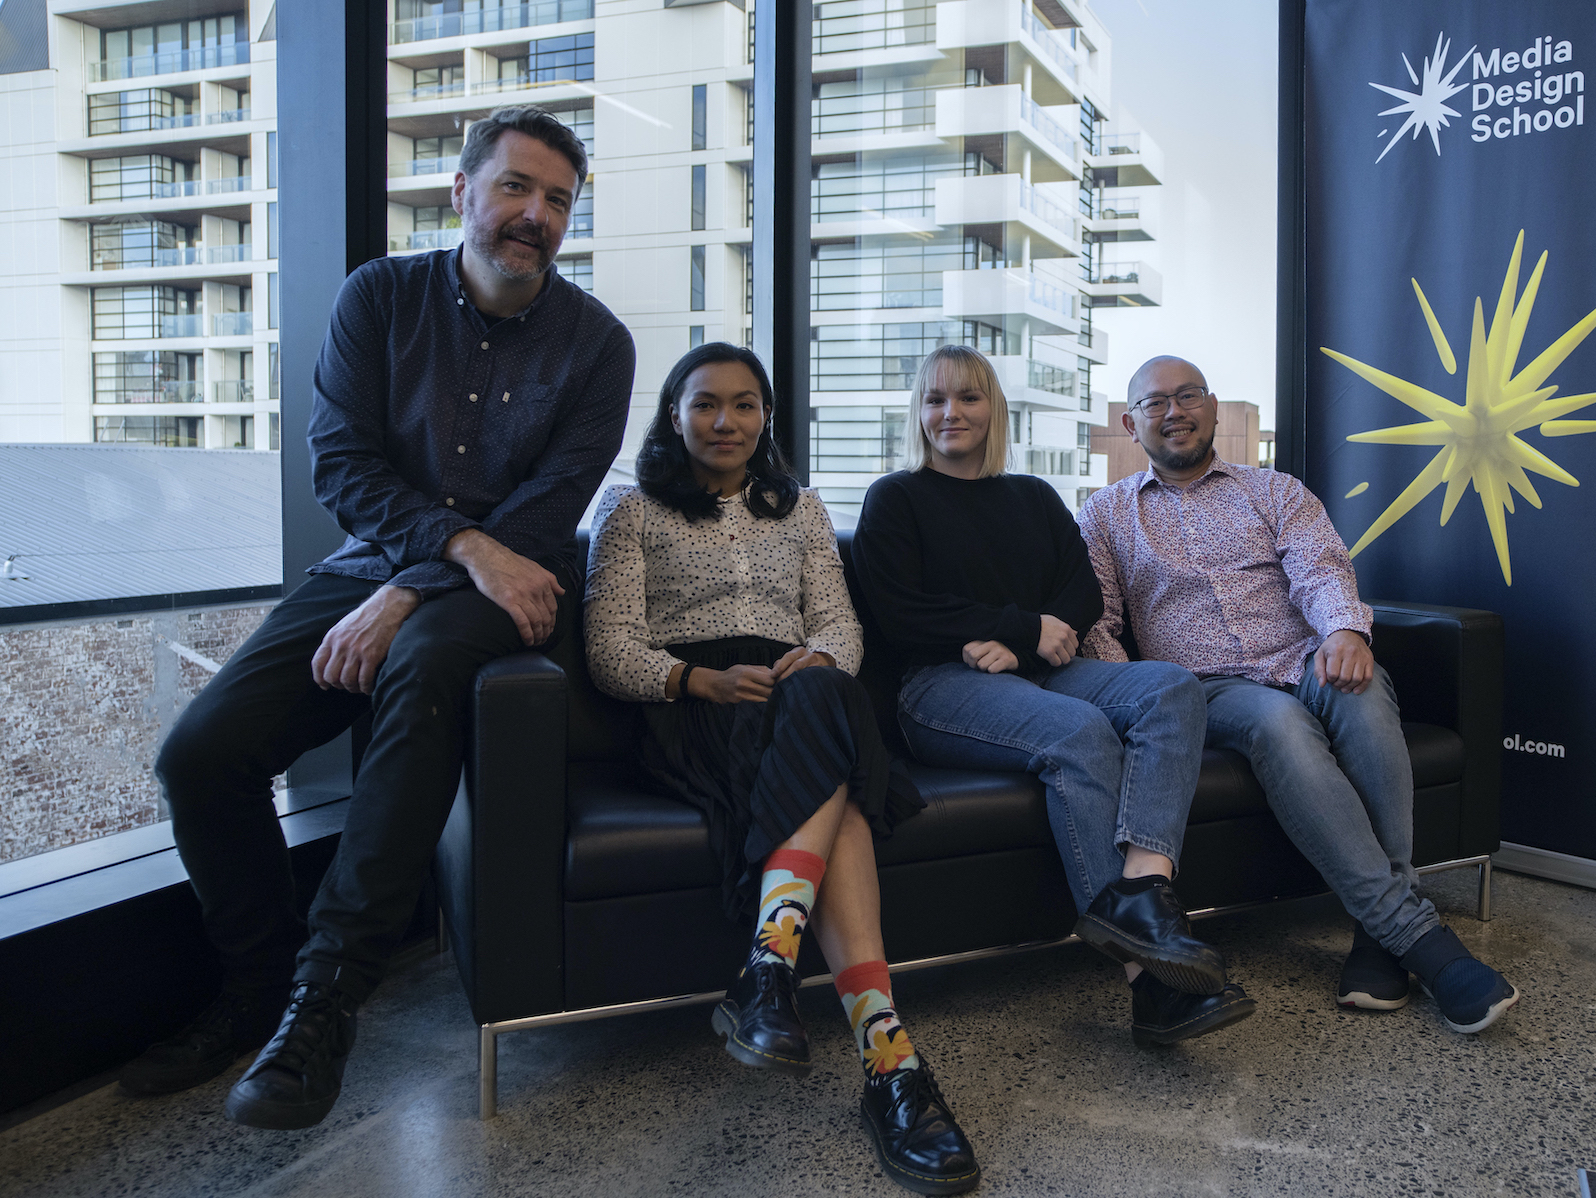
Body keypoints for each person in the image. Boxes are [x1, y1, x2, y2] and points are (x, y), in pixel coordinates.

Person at [134, 106, 636, 1127]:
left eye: (556, 201)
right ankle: (256, 991)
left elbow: (542, 519)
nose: (534, 215)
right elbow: (341, 465)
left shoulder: (598, 344)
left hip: (508, 591)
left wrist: (415, 589)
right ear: (461, 191)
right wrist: (437, 554)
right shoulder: (379, 296)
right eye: (515, 187)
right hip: (375, 562)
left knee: (420, 673)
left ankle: (324, 1004)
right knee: (201, 754)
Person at [585, 343, 978, 1196]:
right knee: (835, 772)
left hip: (796, 696)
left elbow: (841, 625)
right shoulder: (631, 511)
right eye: (705, 404)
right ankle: (890, 1067)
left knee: (826, 695)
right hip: (694, 709)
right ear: (673, 413)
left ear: (766, 416)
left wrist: (819, 658)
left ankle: (771, 972)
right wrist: (699, 678)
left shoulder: (800, 511)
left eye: (745, 404)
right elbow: (609, 650)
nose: (725, 422)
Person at [1077, 356, 1519, 1034]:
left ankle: (1380, 937)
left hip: (1304, 655)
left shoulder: (1274, 490)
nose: (1175, 410)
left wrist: (1343, 630)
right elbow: (1098, 625)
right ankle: (1426, 942)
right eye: (1155, 402)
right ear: (1132, 424)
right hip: (1208, 688)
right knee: (1281, 724)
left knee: (1363, 687)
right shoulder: (1106, 517)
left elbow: (1320, 566)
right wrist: (1136, 697)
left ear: (1215, 408)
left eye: (1188, 394)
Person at [851, 344, 1254, 1048]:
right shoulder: (897, 497)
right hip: (938, 688)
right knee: (1079, 732)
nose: (951, 412)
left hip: (1037, 672)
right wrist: (1018, 627)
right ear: (917, 413)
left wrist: (1024, 640)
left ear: (994, 409)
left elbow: (1082, 592)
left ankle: (1144, 893)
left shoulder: (1031, 496)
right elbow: (901, 611)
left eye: (969, 398)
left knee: (1170, 687)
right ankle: (1148, 982)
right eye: (935, 399)